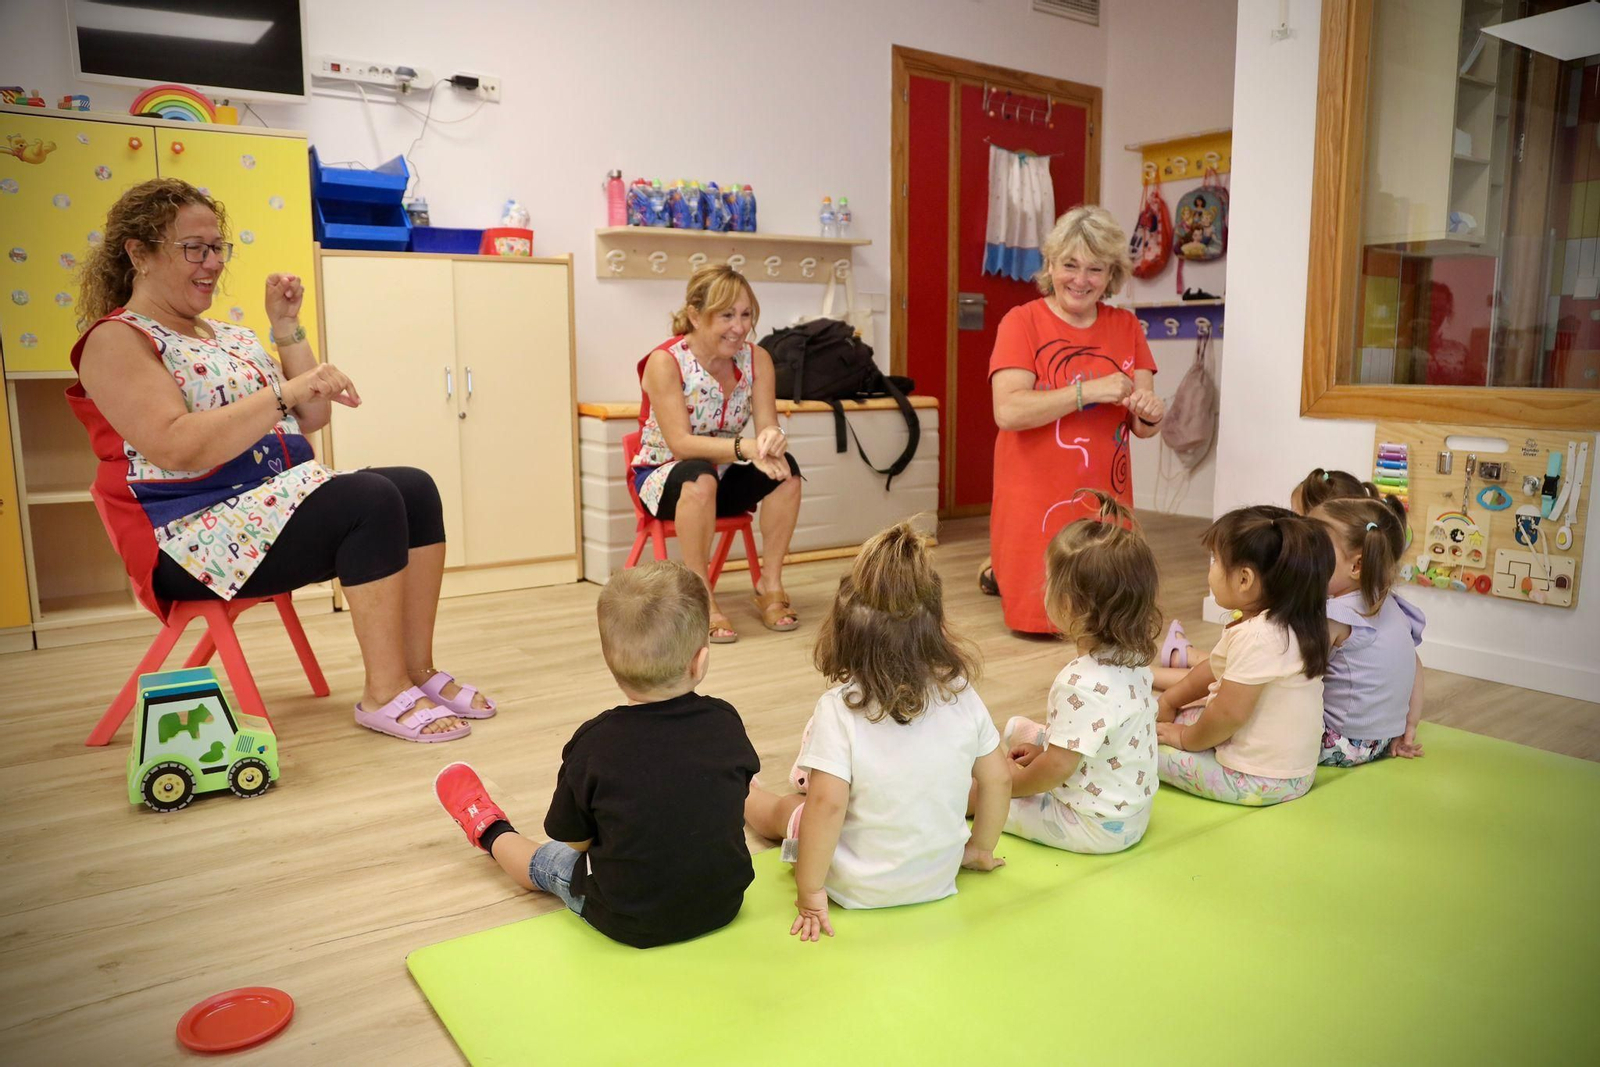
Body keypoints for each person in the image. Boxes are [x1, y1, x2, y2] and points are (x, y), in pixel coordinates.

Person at [68, 178, 489, 742]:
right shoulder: (117, 340)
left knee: (414, 487)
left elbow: (311, 418)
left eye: (218, 247)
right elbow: (176, 445)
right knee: (371, 499)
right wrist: (287, 392)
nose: (212, 262)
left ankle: (417, 670)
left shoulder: (229, 336)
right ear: (139, 254)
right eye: (193, 247)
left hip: (269, 508)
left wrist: (287, 331)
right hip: (193, 536)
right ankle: (383, 692)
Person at [434, 560, 760, 949]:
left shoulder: (594, 743)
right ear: (700, 660)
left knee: (547, 860)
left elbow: (573, 840)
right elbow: (735, 799)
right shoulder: (725, 721)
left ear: (610, 663)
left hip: (628, 918)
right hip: (723, 904)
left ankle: (489, 829)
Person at [744, 523, 1010, 941]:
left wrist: (810, 890)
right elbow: (998, 779)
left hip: (854, 887)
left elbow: (826, 809)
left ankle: (745, 794)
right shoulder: (962, 695)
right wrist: (978, 849)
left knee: (790, 810)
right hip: (937, 880)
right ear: (936, 629)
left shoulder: (837, 710)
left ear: (846, 634)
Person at [987, 206, 1166, 634]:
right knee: (1041, 620)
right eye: (1070, 265)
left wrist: (1152, 415)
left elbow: (1142, 423)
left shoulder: (1126, 326)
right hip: (1035, 493)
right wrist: (1087, 392)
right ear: (1050, 265)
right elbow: (1008, 411)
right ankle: (999, 572)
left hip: (1107, 494)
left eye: (1095, 269)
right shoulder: (1022, 321)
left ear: (1111, 275)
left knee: (1107, 622)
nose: (1080, 280)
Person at [633, 265, 802, 644]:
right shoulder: (666, 362)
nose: (739, 327)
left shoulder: (757, 359)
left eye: (745, 316)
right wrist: (746, 448)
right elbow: (681, 444)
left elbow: (767, 425)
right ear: (695, 315)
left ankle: (769, 584)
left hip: (721, 472)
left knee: (785, 471)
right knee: (698, 474)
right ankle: (701, 596)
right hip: (664, 476)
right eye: (727, 315)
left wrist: (773, 439)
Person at [999, 492, 1163, 853]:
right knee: (1019, 732)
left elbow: (1057, 769)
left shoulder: (1080, 682)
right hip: (1133, 813)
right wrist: (1042, 750)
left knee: (986, 795)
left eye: (1048, 580)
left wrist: (1010, 784)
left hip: (1094, 826)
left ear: (1070, 603)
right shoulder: (1133, 658)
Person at [1154, 506, 1335, 806]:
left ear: (1244, 579)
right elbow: (1212, 669)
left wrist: (1184, 738)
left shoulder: (1259, 638)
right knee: (1175, 716)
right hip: (1293, 772)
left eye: (1215, 560)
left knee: (1137, 748)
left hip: (1258, 780)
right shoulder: (1294, 622)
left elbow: (1228, 715)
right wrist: (1170, 700)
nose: (1210, 569)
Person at [1311, 496, 1427, 763]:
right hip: (1384, 739)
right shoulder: (1390, 603)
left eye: (1314, 551)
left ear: (1356, 566)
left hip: (1338, 742)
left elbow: (1295, 673)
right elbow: (1415, 665)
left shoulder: (1336, 615)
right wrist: (1409, 727)